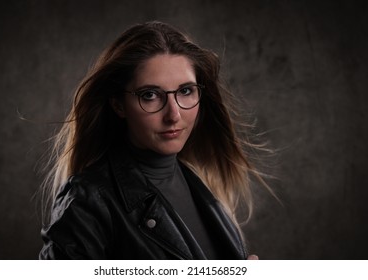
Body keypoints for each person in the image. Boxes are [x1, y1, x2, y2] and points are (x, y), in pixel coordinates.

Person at [39, 21, 263, 260]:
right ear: (118, 104)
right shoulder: (87, 202)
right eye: (150, 95)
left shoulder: (198, 181)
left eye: (185, 91)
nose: (174, 115)